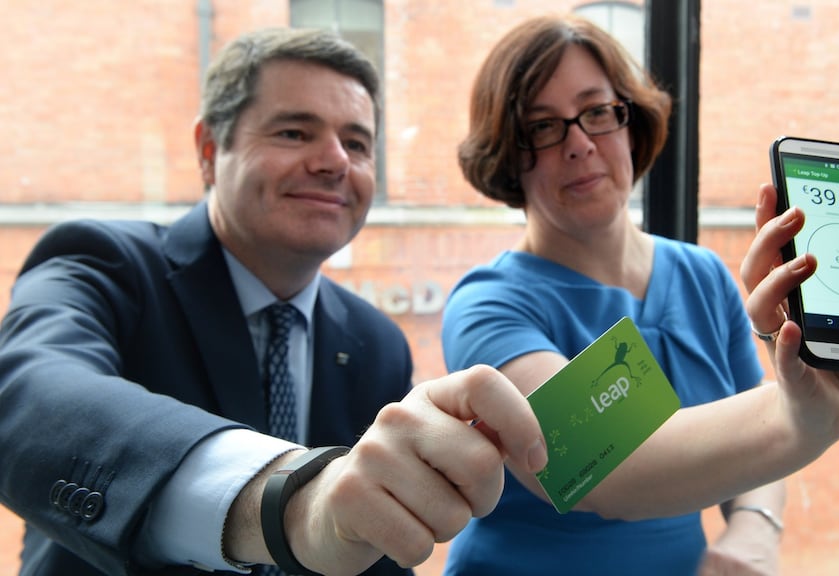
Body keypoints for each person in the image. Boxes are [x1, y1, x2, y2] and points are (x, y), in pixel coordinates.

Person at [0, 27, 548, 576]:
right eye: (293, 132)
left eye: (357, 143)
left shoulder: (375, 341)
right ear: (210, 151)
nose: (334, 160)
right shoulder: (105, 264)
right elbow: (25, 395)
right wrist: (290, 501)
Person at [441, 14, 839, 576]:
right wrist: (796, 417)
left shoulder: (701, 275)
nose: (579, 144)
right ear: (508, 153)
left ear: (631, 122)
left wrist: (755, 529)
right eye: (542, 127)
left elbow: (752, 463)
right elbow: (607, 470)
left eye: (597, 112)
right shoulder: (489, 305)